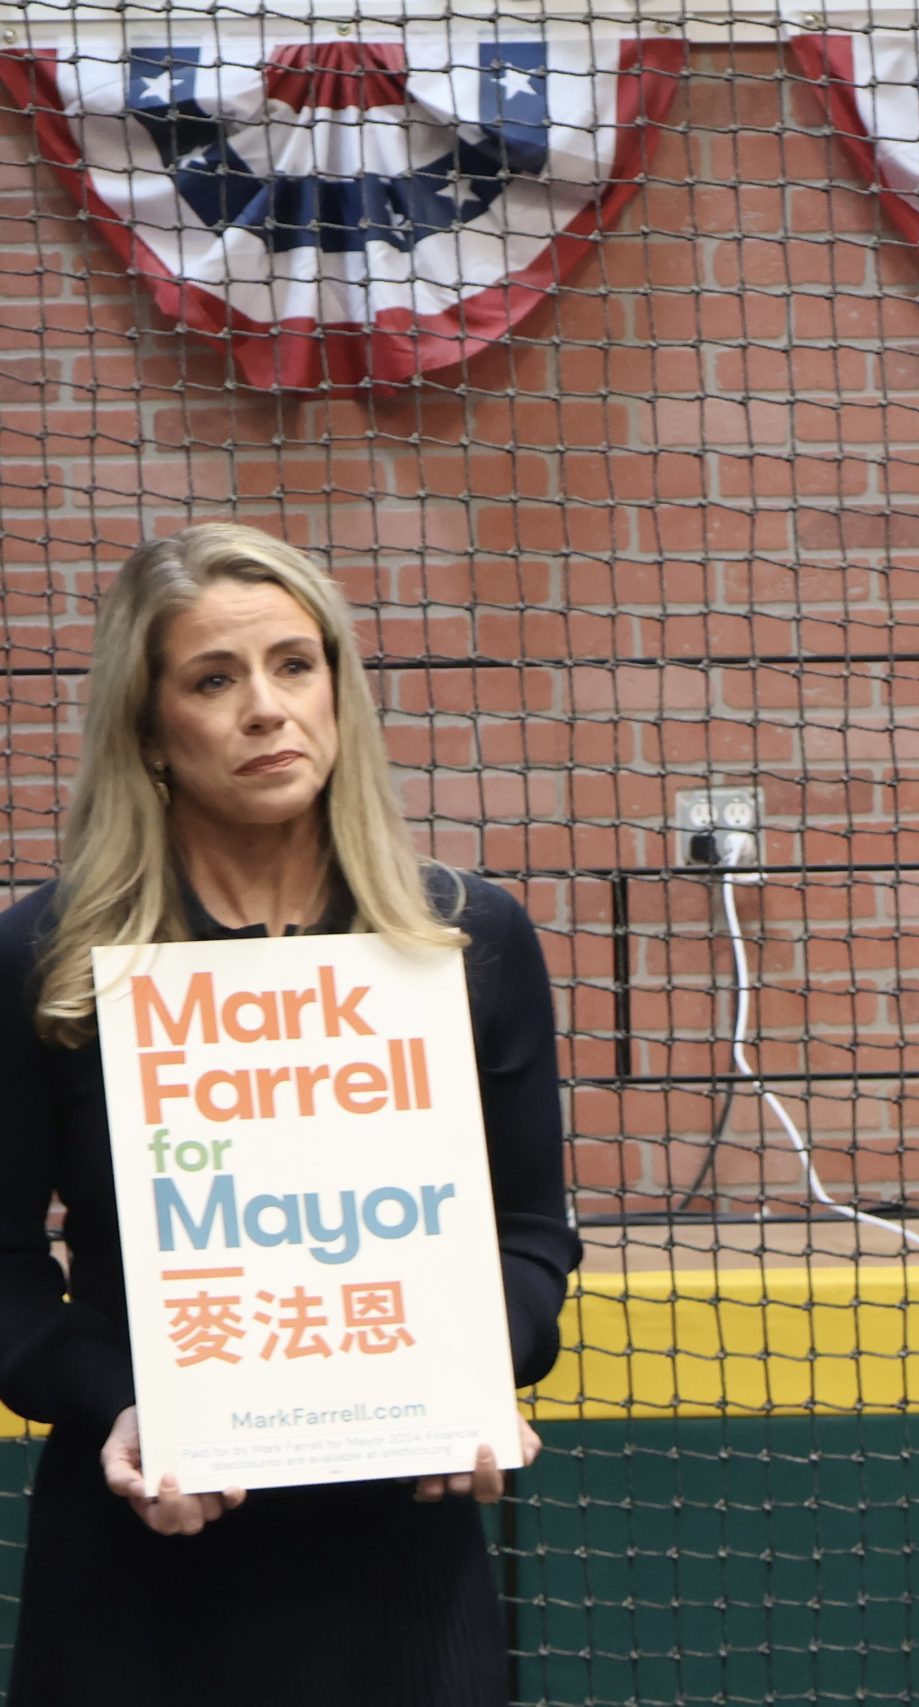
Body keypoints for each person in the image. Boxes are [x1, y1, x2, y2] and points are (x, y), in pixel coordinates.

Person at [0, 524, 579, 1706]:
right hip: (138, 1564)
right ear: (150, 729)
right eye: (215, 679)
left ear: (338, 691)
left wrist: (474, 1369)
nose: (267, 708)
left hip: (399, 1566)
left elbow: (531, 1234)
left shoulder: (469, 940)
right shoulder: (47, 959)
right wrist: (120, 1403)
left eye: (294, 665)